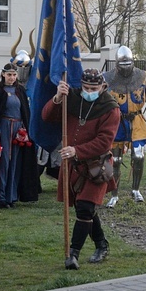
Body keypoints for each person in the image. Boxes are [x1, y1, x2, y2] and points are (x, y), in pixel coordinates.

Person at [43, 69, 120, 269]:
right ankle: (101, 244)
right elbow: (47, 117)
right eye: (85, 87)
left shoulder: (111, 108)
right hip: (73, 165)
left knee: (86, 207)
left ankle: (73, 254)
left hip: (97, 166)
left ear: (103, 87)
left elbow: (104, 141)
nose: (88, 91)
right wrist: (58, 98)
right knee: (85, 208)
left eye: (93, 88)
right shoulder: (72, 98)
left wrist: (77, 150)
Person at [103, 46, 146, 206]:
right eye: (122, 64)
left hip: (137, 121)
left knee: (138, 156)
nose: (126, 67)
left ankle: (136, 190)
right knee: (115, 160)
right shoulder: (107, 78)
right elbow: (101, 103)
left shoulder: (143, 76)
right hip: (116, 122)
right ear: (116, 64)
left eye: (128, 63)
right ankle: (114, 194)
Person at [0, 63, 39, 208]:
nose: (12, 78)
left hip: (18, 130)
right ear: (3, 75)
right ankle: (0, 196)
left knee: (16, 163)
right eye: (9, 75)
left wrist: (25, 130)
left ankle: (11, 196)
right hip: (3, 128)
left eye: (14, 75)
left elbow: (25, 112)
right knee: (4, 162)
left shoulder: (20, 90)